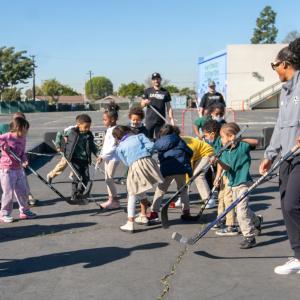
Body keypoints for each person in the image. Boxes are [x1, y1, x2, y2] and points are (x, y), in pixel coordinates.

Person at [259, 38, 300, 274]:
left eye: (274, 65)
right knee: (286, 205)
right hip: (286, 157)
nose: (274, 70)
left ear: (284, 64)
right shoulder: (285, 92)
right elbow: (280, 126)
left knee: (293, 205)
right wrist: (269, 154)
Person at [216, 123, 262, 248]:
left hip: (244, 183)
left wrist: (240, 138)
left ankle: (249, 237)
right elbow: (227, 167)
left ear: (231, 136)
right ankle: (257, 220)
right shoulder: (225, 150)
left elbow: (257, 142)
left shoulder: (243, 146)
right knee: (241, 209)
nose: (221, 139)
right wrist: (218, 163)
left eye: (222, 137)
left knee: (241, 211)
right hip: (233, 184)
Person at [112, 125, 163, 232]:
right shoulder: (140, 136)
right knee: (140, 190)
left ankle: (130, 222)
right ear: (129, 131)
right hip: (148, 162)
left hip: (135, 166)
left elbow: (126, 162)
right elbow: (151, 146)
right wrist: (146, 154)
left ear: (117, 138)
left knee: (131, 193)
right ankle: (143, 216)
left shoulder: (119, 147)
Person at [148, 125, 194, 222]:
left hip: (166, 170)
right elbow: (189, 151)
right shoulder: (178, 139)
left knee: (160, 190)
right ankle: (186, 212)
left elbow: (151, 153)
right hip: (180, 168)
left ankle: (154, 213)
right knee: (183, 190)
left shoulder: (158, 143)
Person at [0, 117, 37, 223]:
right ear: (18, 128)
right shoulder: (7, 136)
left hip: (18, 168)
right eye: (25, 129)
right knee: (8, 193)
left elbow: (22, 153)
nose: (27, 131)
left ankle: (24, 211)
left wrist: (25, 160)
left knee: (23, 191)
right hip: (7, 169)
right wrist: (3, 145)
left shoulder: (23, 139)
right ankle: (4, 214)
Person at [64, 114, 100, 203]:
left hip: (85, 160)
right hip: (75, 159)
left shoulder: (88, 135)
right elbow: (60, 135)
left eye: (89, 127)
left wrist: (98, 154)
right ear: (78, 124)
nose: (87, 129)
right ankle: (74, 195)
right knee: (77, 177)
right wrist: (59, 145)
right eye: (86, 127)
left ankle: (80, 193)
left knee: (86, 178)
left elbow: (92, 146)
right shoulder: (72, 132)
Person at [98, 102, 121, 209]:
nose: (103, 121)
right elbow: (105, 145)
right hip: (107, 157)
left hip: (113, 158)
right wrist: (101, 155)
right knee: (107, 178)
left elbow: (113, 146)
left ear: (112, 119)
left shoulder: (115, 130)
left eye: (105, 119)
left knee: (109, 178)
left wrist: (103, 156)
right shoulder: (109, 130)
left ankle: (114, 200)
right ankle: (111, 199)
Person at [141, 72, 175, 140]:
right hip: (149, 120)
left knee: (160, 139)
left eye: (157, 79)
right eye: (154, 79)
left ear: (160, 79)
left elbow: (169, 107)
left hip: (161, 120)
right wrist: (144, 102)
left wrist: (171, 119)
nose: (156, 81)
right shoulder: (148, 91)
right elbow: (141, 105)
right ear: (152, 81)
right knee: (148, 139)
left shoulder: (165, 92)